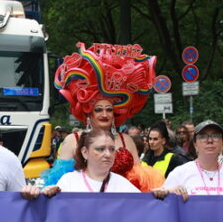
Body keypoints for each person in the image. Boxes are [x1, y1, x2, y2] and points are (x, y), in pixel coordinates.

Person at [44, 43, 156, 190]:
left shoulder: (126, 140)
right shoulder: (73, 140)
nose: (104, 114)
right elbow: (58, 184)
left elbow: (141, 180)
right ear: (89, 112)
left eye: (109, 109)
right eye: (98, 109)